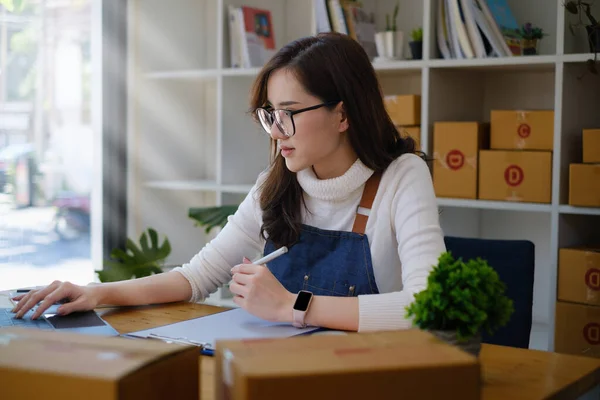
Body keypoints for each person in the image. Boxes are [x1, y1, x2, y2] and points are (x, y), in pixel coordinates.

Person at [12, 32, 446, 332]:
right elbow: (197, 276)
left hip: (370, 374)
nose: (276, 131)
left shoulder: (401, 178)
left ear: (343, 114)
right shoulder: (276, 184)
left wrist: (292, 306)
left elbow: (429, 307)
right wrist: (94, 293)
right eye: (270, 115)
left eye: (290, 114)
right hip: (280, 373)